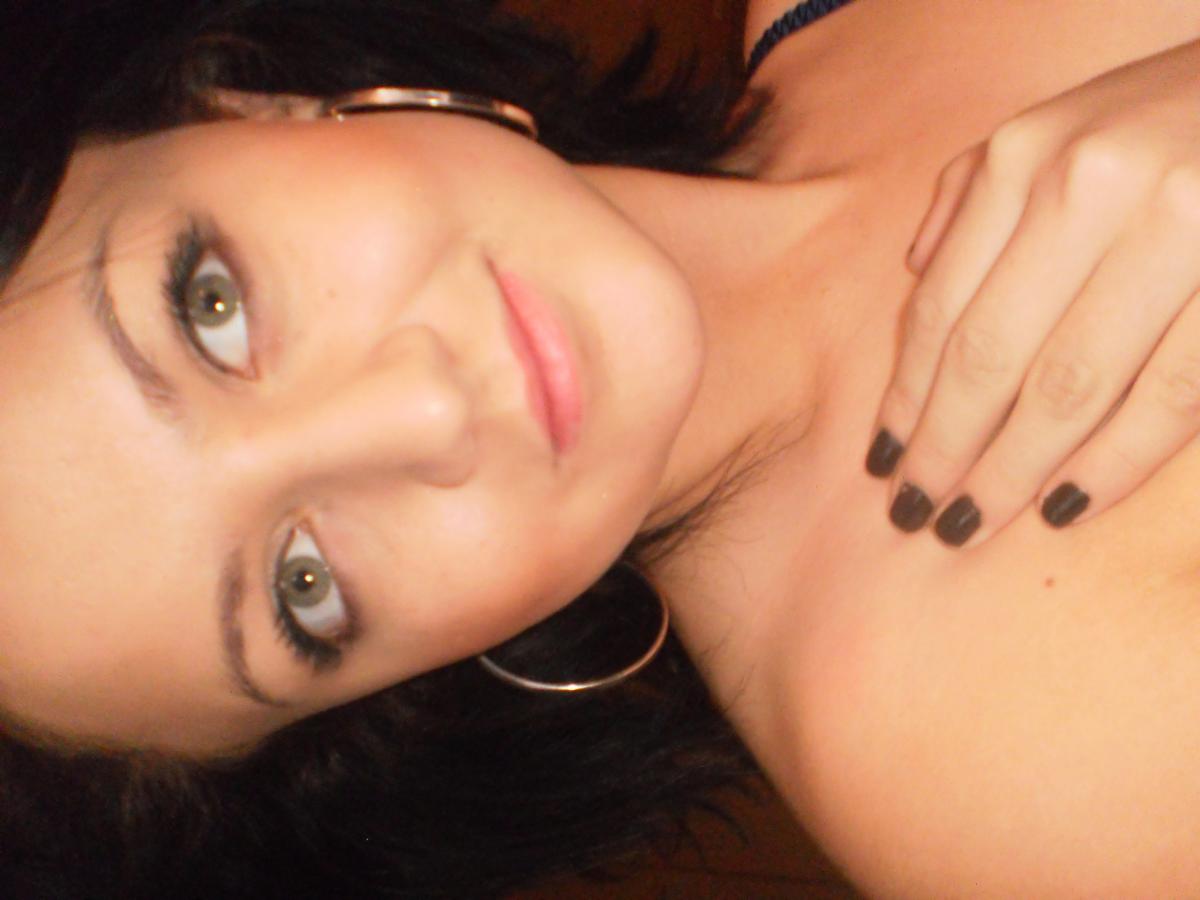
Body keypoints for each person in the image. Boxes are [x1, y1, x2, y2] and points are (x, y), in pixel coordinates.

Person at [2, 0, 1199, 897]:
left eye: (210, 306)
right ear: (402, 697)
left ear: (235, 97)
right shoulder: (1017, 784)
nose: (425, 415)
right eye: (304, 587)